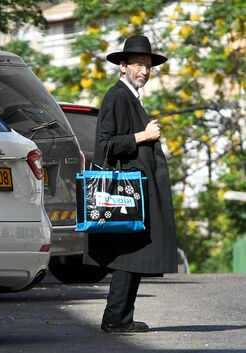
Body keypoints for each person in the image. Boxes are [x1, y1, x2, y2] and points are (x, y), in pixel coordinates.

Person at [83, 35, 178, 333]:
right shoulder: (117, 96)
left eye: (148, 65)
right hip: (127, 191)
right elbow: (105, 145)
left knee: (134, 253)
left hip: (136, 190)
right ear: (122, 66)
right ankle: (115, 318)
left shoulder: (130, 97)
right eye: (137, 64)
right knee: (128, 254)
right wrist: (144, 136)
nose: (144, 71)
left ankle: (120, 317)